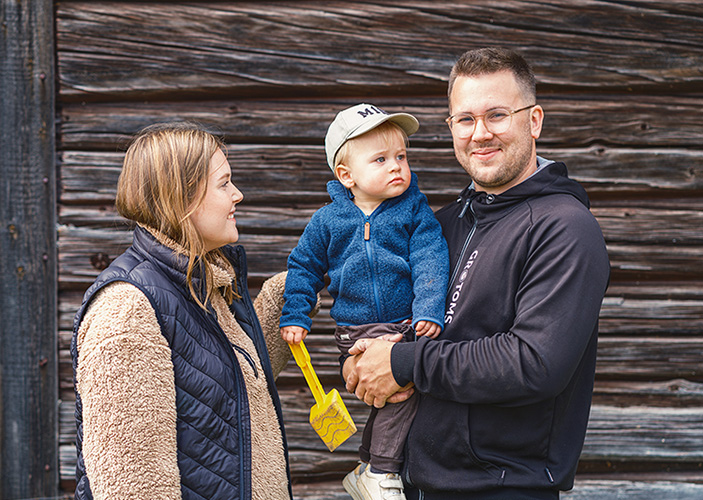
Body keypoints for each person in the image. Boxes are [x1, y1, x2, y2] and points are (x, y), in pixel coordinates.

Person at [343, 47, 611, 500]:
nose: (480, 133)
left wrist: (403, 363)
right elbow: (412, 328)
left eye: (497, 115)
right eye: (465, 120)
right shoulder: (441, 223)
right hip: (413, 487)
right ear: (451, 128)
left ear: (534, 120)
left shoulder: (565, 227)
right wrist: (370, 353)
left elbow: (534, 363)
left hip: (499, 489)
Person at [70, 122, 297, 500]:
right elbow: (133, 485)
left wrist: (295, 288)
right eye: (224, 183)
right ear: (183, 196)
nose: (237, 195)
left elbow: (224, 396)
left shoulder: (205, 285)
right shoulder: (128, 310)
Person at [279, 103, 450, 500]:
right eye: (381, 159)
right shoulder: (328, 222)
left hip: (405, 321)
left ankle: (369, 467)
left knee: (397, 394)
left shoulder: (413, 211)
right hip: (355, 328)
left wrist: (427, 309)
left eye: (401, 157)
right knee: (403, 391)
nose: (397, 167)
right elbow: (303, 267)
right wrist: (296, 314)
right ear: (347, 175)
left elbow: (431, 257)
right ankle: (382, 472)